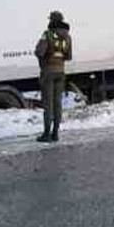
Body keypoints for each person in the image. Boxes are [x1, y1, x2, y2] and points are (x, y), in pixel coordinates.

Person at [34, 10, 73, 143]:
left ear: (52, 20)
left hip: (48, 73)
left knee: (48, 104)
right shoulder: (67, 37)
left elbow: (39, 51)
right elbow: (69, 56)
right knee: (58, 104)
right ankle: (55, 134)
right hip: (60, 72)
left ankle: (46, 134)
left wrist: (43, 64)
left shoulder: (48, 34)